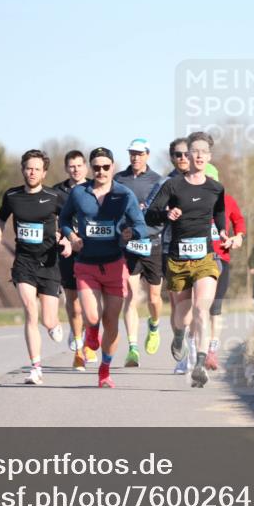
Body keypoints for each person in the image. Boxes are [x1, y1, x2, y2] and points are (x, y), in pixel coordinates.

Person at [146, 131, 231, 388]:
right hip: (178, 259)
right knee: (181, 316)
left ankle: (200, 365)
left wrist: (224, 232)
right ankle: (180, 336)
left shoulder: (216, 188)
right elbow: (151, 215)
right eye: (194, 151)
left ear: (209, 156)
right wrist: (166, 214)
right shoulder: (173, 186)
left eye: (204, 152)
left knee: (201, 310)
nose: (199, 156)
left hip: (205, 257)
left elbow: (218, 213)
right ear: (188, 155)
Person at [59, 147, 148, 388]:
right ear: (91, 168)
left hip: (114, 265)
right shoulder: (79, 193)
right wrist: (72, 236)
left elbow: (141, 225)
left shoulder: (124, 194)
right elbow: (64, 220)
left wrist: (132, 232)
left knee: (112, 322)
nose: (101, 171)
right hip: (86, 265)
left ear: (112, 167)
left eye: (105, 167)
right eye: (96, 167)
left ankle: (105, 369)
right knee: (91, 316)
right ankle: (90, 332)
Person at [0, 149, 69, 385]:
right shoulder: (12, 195)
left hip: (50, 262)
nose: (32, 172)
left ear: (44, 173)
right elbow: (0, 218)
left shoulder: (54, 197)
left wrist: (66, 239)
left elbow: (69, 220)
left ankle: (54, 325)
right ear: (22, 170)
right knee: (30, 312)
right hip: (24, 262)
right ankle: (36, 368)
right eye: (28, 168)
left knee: (47, 319)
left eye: (36, 169)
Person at [114, 138, 165, 367]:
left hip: (152, 244)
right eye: (132, 153)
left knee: (154, 298)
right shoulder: (119, 180)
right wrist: (121, 230)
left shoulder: (158, 181)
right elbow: (111, 211)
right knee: (131, 296)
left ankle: (154, 325)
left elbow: (163, 214)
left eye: (139, 153)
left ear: (147, 155)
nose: (135, 157)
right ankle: (133, 348)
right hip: (128, 245)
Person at [51, 150, 97, 370]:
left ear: (85, 167)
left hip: (92, 250)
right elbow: (52, 221)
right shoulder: (57, 192)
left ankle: (88, 340)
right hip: (68, 250)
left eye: (79, 165)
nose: (76, 169)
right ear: (66, 168)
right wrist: (63, 238)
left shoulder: (95, 187)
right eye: (72, 166)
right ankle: (79, 347)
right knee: (74, 302)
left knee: (90, 302)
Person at [203, 166, 246, 371]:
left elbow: (239, 221)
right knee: (198, 307)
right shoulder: (190, 200)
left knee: (215, 308)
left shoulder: (227, 201)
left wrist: (238, 237)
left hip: (221, 258)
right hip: (195, 260)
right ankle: (195, 350)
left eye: (211, 180)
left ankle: (212, 350)